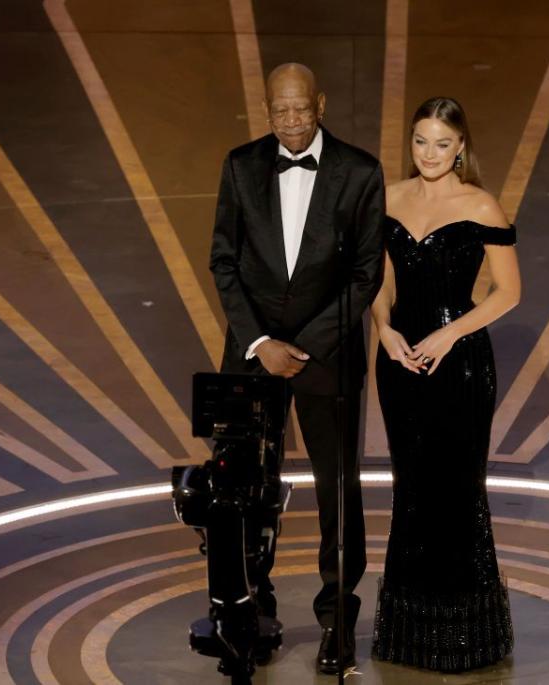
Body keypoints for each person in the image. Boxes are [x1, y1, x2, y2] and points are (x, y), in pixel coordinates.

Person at [209, 62, 385, 675]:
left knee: (339, 490)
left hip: (325, 357)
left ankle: (338, 619)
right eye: (278, 111)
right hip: (253, 356)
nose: (289, 122)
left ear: (322, 104)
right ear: (266, 110)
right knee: (245, 489)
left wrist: (303, 346)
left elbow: (367, 274)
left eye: (299, 109)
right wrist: (261, 342)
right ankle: (253, 612)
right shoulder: (239, 165)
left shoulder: (359, 172)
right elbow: (224, 263)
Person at [370, 96, 520, 671]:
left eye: (441, 143)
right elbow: (381, 282)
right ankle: (411, 637)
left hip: (458, 366)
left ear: (461, 147)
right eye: (420, 141)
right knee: (412, 489)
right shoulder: (390, 198)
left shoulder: (481, 205)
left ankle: (465, 640)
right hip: (400, 360)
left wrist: (447, 335)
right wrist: (384, 328)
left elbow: (508, 294)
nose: (429, 154)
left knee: (455, 491)